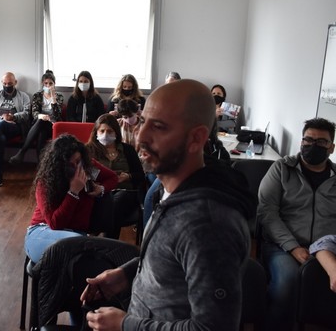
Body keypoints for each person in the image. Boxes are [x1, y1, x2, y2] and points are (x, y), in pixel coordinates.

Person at [81, 79, 255, 331]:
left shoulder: (209, 225)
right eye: (143, 122)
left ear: (196, 138)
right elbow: (171, 257)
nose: (141, 136)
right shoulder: (165, 190)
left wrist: (126, 325)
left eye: (159, 127)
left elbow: (211, 327)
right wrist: (127, 273)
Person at [257, 117, 336, 330]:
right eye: (308, 140)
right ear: (301, 141)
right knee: (288, 283)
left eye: (321, 142)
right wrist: (292, 247)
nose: (313, 145)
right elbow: (267, 212)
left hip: (327, 248)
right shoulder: (281, 169)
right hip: (282, 246)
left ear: (331, 147)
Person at [24, 134, 119, 264]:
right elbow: (55, 224)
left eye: (79, 160)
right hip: (43, 232)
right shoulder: (46, 181)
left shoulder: (87, 166)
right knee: (81, 248)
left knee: (82, 256)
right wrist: (73, 192)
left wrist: (101, 189)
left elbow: (112, 178)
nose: (77, 167)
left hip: (77, 237)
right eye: (71, 164)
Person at [86, 114, 146, 239]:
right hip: (99, 193)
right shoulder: (88, 150)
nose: (105, 134)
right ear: (96, 132)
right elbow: (84, 174)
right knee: (108, 202)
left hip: (125, 192)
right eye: (102, 131)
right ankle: (109, 242)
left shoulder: (128, 150)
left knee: (117, 200)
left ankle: (101, 236)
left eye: (109, 131)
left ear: (116, 132)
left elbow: (140, 175)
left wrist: (128, 176)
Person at [9, 70, 64, 164]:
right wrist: (41, 115)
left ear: (54, 84)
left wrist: (53, 98)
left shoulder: (59, 96)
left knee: (42, 128)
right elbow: (34, 112)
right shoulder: (37, 95)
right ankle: (41, 166)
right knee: (41, 127)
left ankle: (22, 152)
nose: (48, 86)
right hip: (39, 124)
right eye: (46, 83)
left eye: (50, 83)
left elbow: (57, 115)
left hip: (52, 125)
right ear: (42, 84)